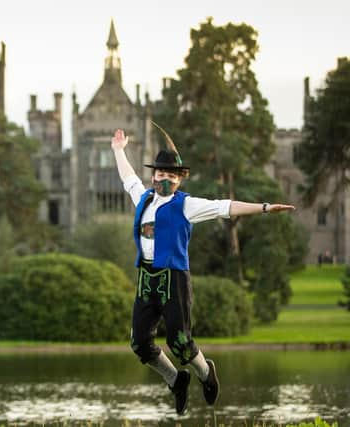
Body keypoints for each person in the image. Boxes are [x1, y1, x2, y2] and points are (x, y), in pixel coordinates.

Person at [111, 126, 294, 415]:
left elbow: (226, 207)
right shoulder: (143, 198)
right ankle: (176, 380)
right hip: (147, 278)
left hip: (174, 279)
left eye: (172, 176)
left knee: (180, 343)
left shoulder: (187, 206)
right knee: (139, 343)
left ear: (180, 179)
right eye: (161, 174)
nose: (165, 179)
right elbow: (127, 177)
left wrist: (265, 207)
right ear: (154, 175)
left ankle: (206, 373)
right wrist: (118, 150)